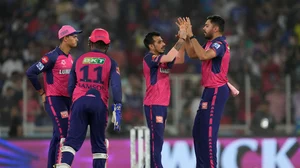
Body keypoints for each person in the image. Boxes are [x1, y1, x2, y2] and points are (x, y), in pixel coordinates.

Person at [55, 28, 122, 168]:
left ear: (90, 43)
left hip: (79, 101)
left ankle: (64, 165)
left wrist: (73, 106)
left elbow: (70, 87)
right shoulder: (111, 62)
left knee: (71, 142)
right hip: (99, 104)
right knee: (99, 145)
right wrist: (117, 109)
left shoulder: (78, 60)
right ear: (107, 45)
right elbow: (116, 87)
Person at [179, 15, 239, 168]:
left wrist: (191, 35)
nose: (204, 28)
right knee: (198, 131)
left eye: (206, 26)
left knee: (208, 133)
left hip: (217, 90)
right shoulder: (210, 43)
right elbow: (193, 54)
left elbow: (204, 55)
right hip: (208, 91)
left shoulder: (220, 44)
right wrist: (185, 37)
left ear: (216, 28)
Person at [26, 25, 82, 168]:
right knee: (64, 133)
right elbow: (31, 72)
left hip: (68, 100)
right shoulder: (51, 57)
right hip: (54, 99)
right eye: (74, 36)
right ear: (65, 38)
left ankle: (52, 165)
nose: (77, 39)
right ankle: (62, 165)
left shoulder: (71, 58)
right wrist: (42, 92)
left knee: (58, 135)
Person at [142, 24, 186, 168]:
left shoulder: (163, 59)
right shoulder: (150, 58)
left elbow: (179, 59)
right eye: (159, 42)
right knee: (156, 141)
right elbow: (170, 56)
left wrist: (182, 40)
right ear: (151, 46)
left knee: (157, 142)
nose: (163, 43)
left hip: (162, 105)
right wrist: (181, 40)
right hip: (153, 105)